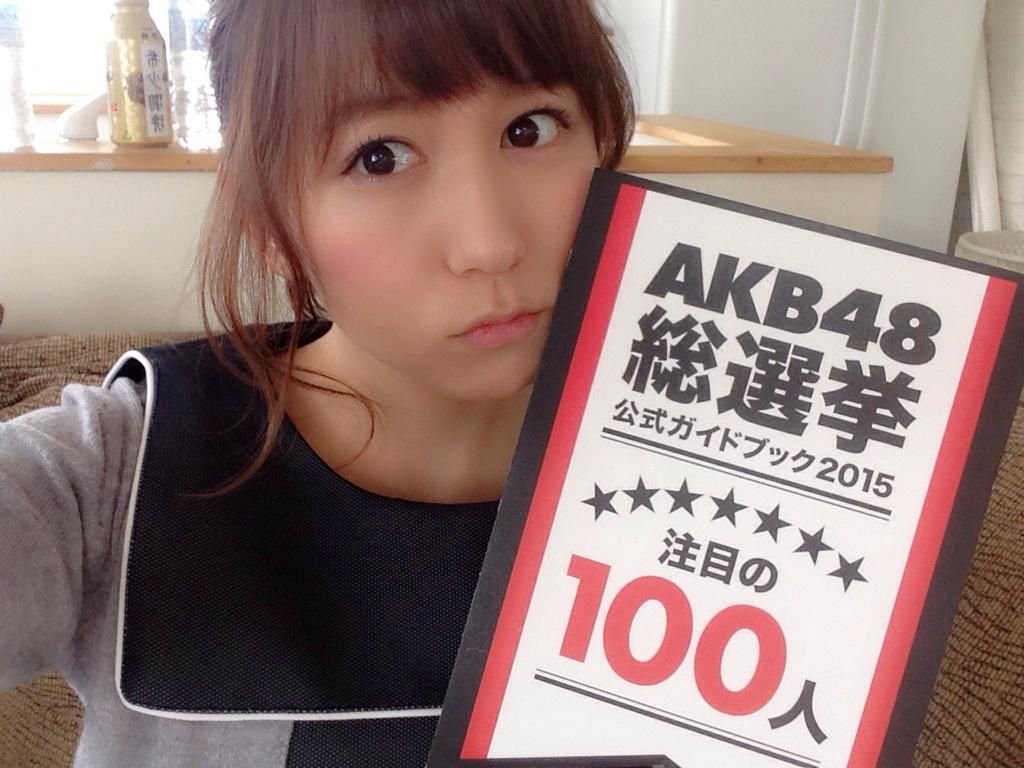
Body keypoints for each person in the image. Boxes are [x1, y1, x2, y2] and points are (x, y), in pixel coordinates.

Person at [0, 0, 633, 766]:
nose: (490, 244)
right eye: (379, 157)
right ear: (270, 223)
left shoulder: (725, 461)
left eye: (529, 129)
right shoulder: (118, 476)